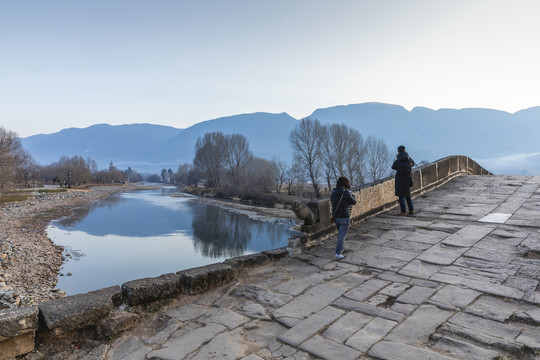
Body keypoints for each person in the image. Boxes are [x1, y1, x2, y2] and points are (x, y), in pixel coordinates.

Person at [331, 176, 356, 260]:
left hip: (335, 217)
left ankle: (341, 249)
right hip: (344, 217)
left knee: (340, 234)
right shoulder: (346, 192)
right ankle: (338, 253)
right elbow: (353, 202)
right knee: (341, 236)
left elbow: (332, 201)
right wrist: (353, 195)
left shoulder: (333, 192)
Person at [392, 145, 415, 215]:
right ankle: (411, 210)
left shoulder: (398, 160)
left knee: (401, 195)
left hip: (400, 180)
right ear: (405, 150)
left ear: (398, 151)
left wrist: (396, 158)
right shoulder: (408, 158)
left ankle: (403, 211)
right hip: (407, 179)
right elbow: (413, 163)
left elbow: (393, 167)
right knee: (407, 195)